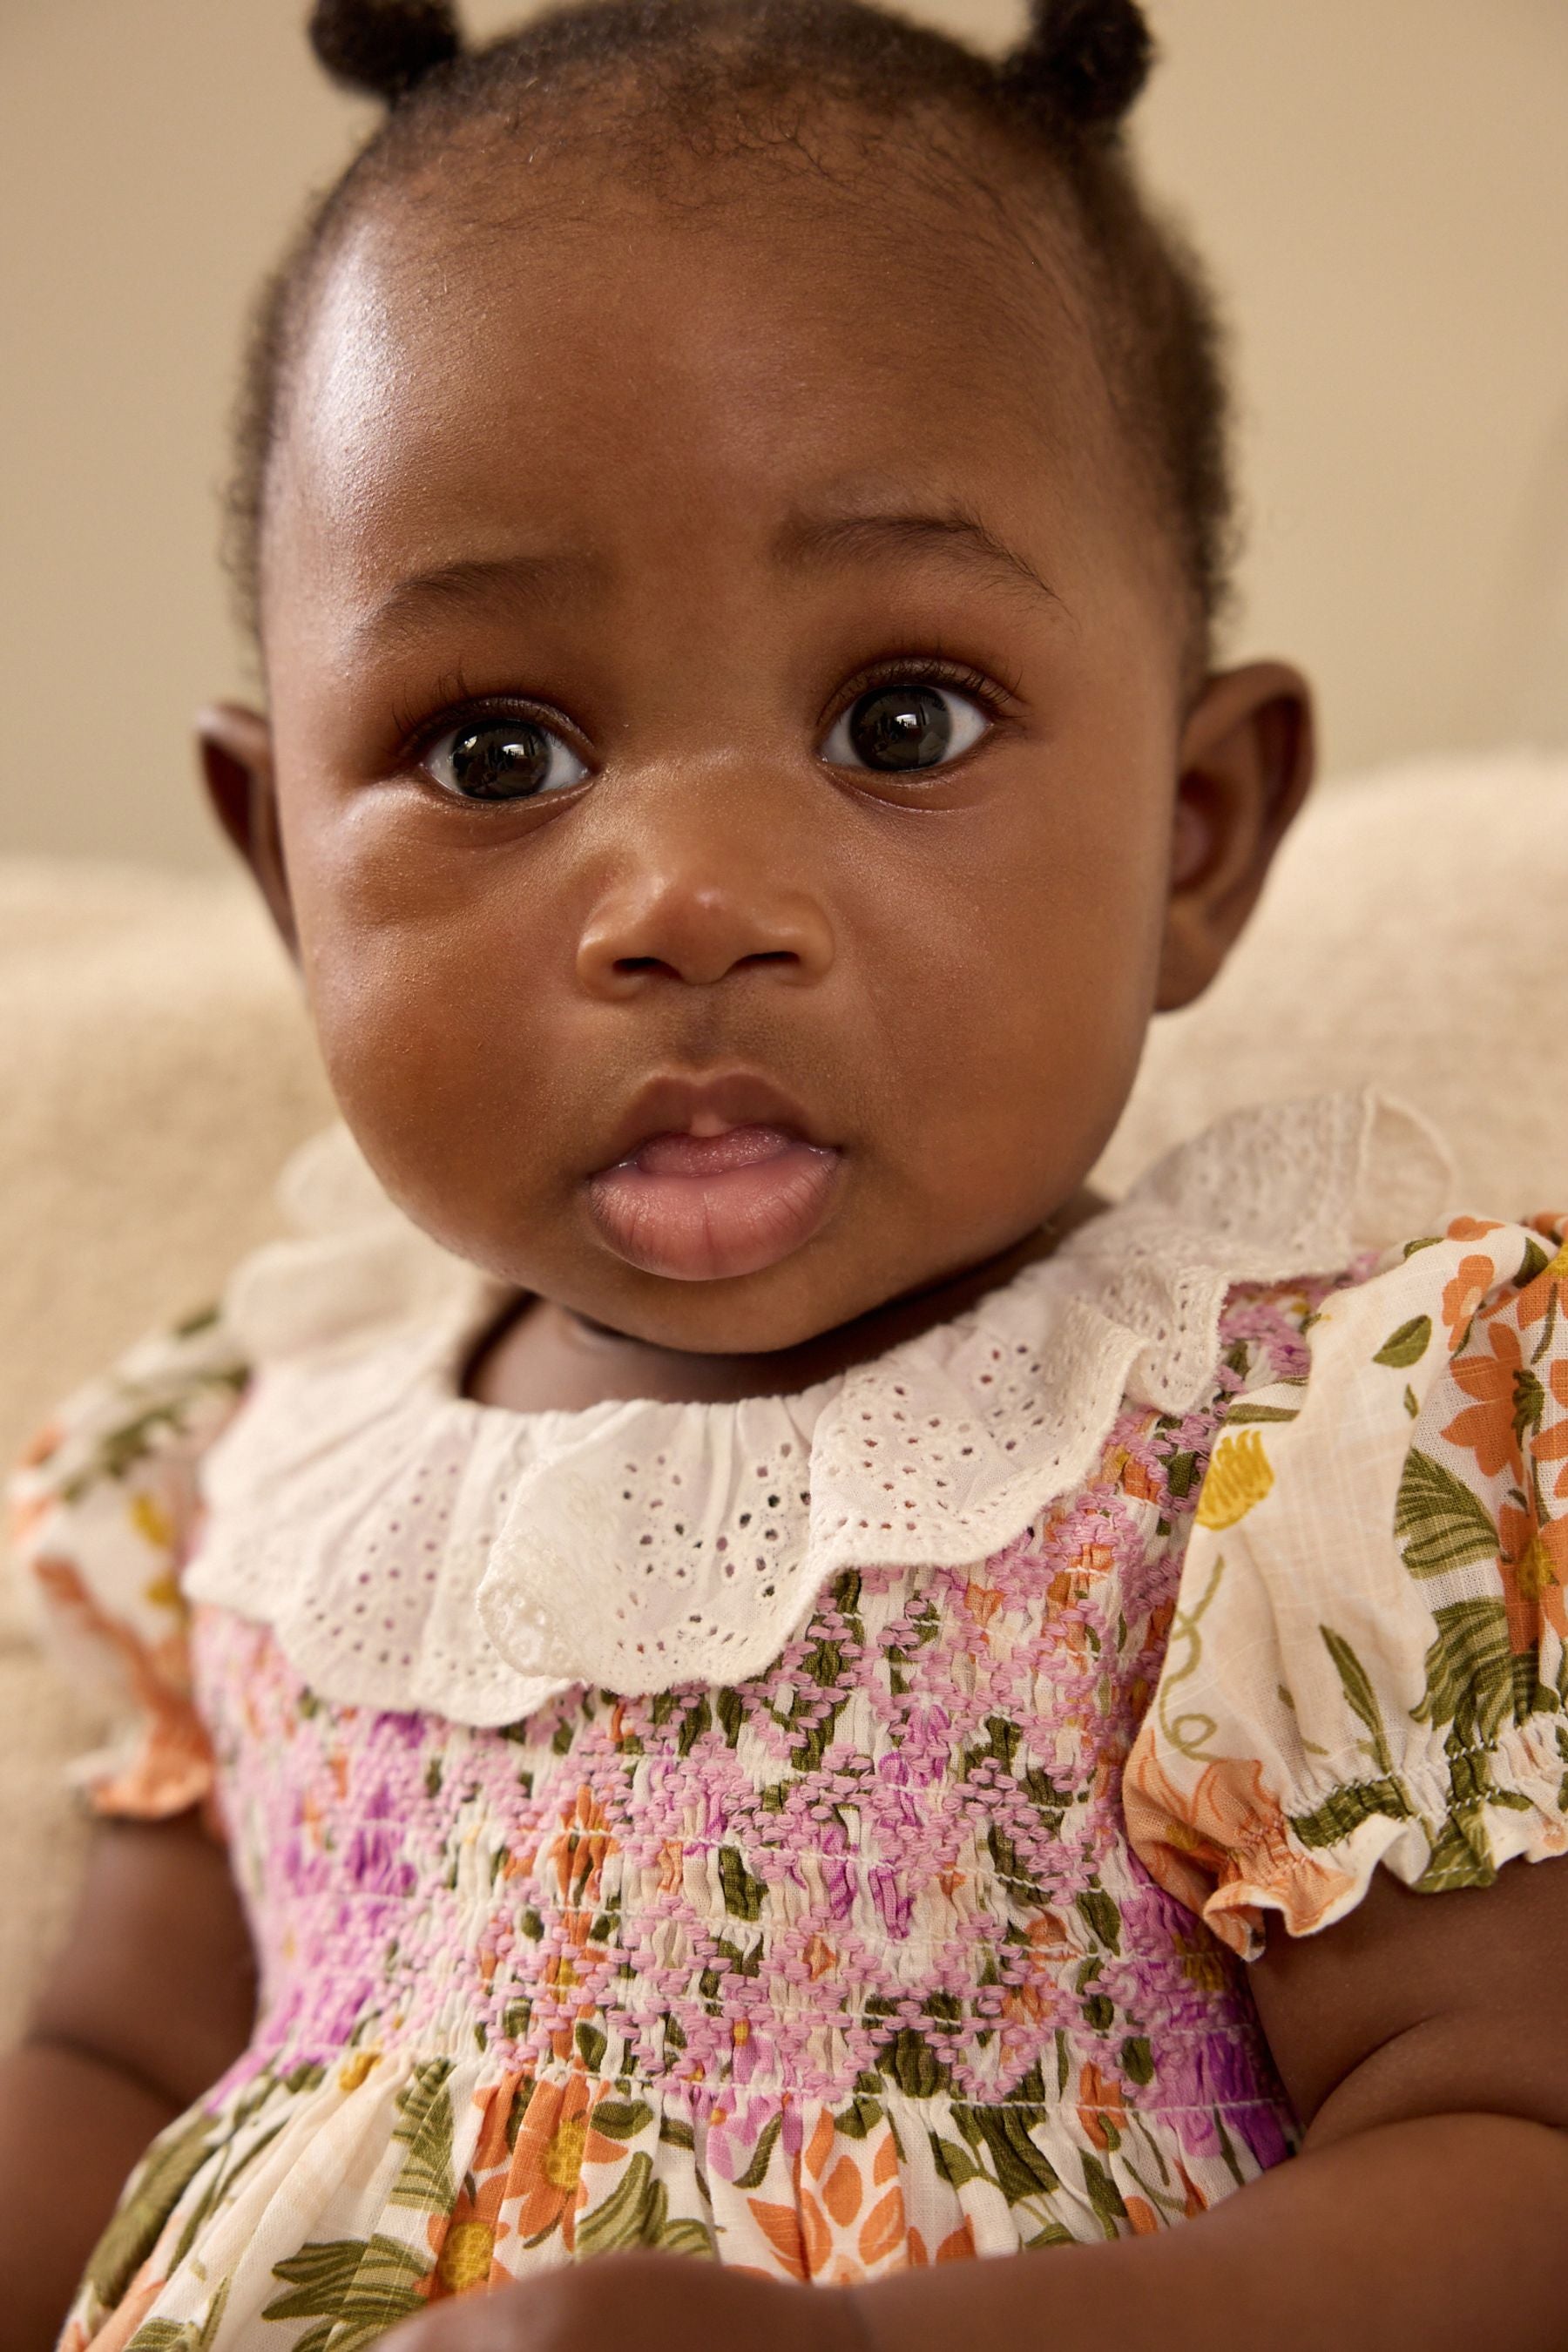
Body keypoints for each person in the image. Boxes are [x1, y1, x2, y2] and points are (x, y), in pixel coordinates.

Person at [4, 0, 1568, 2342]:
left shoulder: (1289, 1455)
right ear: (278, 865)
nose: (690, 896)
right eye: (496, 746)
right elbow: (113, 2062)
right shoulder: (239, 1479)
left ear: (1194, 831)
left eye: (899, 719)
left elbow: (1510, 2173)